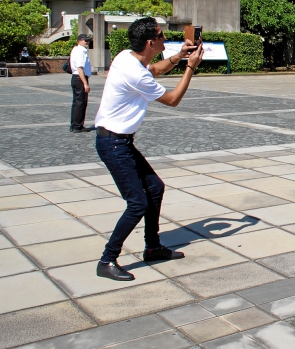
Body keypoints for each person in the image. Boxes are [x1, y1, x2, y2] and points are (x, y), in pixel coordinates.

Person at [95, 17, 203, 281]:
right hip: (113, 143)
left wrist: (178, 56)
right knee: (137, 203)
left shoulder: (127, 58)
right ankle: (107, 259)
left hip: (119, 141)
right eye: (161, 35)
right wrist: (190, 67)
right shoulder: (132, 70)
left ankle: (152, 247)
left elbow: (153, 70)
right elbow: (173, 99)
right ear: (150, 42)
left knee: (155, 187)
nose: (165, 38)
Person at [69, 34, 93, 133]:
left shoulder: (76, 50)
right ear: (79, 41)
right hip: (80, 78)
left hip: (76, 78)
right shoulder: (80, 51)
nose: (87, 42)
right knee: (81, 103)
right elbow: (80, 68)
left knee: (77, 102)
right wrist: (85, 83)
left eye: (88, 40)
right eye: (85, 40)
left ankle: (75, 124)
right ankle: (77, 126)